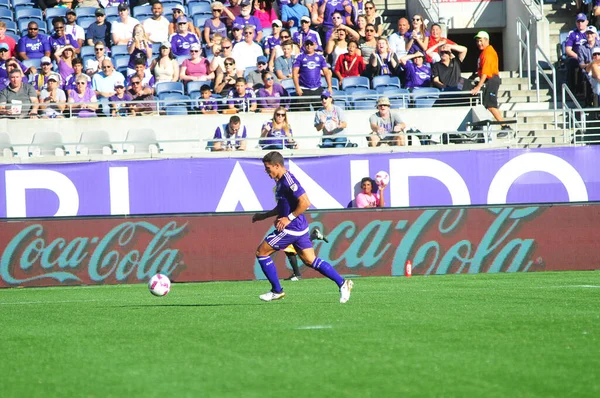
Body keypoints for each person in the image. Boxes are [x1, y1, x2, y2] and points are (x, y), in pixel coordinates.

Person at [251, 151, 354, 303]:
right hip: (299, 227)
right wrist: (264, 216)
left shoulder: (288, 180)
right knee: (310, 260)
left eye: (268, 168)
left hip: (290, 228)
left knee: (262, 252)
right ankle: (343, 283)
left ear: (277, 165)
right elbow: (282, 206)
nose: (267, 172)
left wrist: (288, 218)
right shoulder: (279, 182)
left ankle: (276, 291)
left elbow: (305, 202)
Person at [470, 31, 509, 129]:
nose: (479, 43)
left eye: (481, 41)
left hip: (491, 80)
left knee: (491, 105)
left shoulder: (488, 53)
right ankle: (479, 127)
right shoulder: (484, 52)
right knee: (484, 104)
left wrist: (478, 86)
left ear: (486, 40)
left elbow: (485, 72)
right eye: (477, 41)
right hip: (488, 80)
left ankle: (505, 126)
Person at [293, 39, 332, 111]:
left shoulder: (320, 57)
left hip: (317, 88)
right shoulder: (299, 57)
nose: (309, 46)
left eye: (311, 44)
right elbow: (295, 73)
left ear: (315, 45)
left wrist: (329, 86)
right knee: (302, 112)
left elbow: (326, 72)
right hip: (303, 89)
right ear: (304, 45)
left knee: (321, 111)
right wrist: (297, 87)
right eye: (307, 44)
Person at [565, 13, 589, 93]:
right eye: (578, 22)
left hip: (590, 56)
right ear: (576, 23)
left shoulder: (591, 33)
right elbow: (568, 50)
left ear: (587, 22)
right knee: (571, 63)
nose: (580, 24)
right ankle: (572, 89)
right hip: (576, 57)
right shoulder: (572, 33)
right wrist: (579, 57)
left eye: (582, 21)